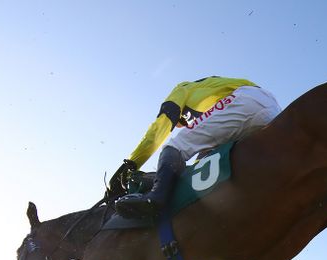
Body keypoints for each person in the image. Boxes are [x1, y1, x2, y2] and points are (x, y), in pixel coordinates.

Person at [112, 76, 282, 219]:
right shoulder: (211, 91)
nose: (184, 123)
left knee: (176, 145)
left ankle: (156, 199)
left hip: (246, 100)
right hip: (270, 109)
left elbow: (160, 128)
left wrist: (131, 164)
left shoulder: (182, 88)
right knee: (201, 167)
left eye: (184, 120)